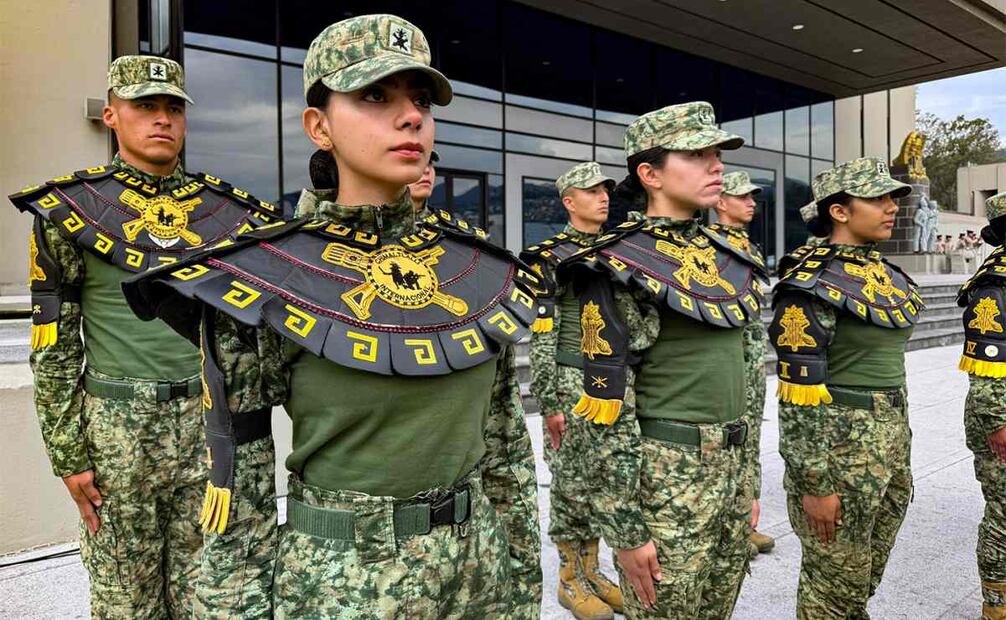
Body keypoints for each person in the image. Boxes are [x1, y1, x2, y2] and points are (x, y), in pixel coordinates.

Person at [122, 15, 542, 617]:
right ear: (319, 126)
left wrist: (521, 585)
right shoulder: (266, 273)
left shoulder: (474, 267)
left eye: (421, 99)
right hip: (342, 584)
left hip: (479, 573)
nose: (410, 117)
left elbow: (504, 448)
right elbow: (237, 491)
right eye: (375, 96)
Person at [7, 55, 284, 618]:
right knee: (125, 605)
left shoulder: (227, 216)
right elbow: (54, 348)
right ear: (111, 115)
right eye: (145, 106)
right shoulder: (73, 212)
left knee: (217, 598)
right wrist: (68, 454)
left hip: (210, 430)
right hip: (116, 437)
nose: (162, 119)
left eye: (173, 108)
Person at [558, 102, 766, 619]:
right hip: (666, 483)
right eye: (697, 154)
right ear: (649, 173)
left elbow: (750, 378)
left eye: (716, 153)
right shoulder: (617, 265)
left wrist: (749, 481)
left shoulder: (730, 258)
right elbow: (604, 414)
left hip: (731, 472)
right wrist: (626, 530)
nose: (716, 166)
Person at [770, 157, 922, 619]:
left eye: (892, 197)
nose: (891, 206)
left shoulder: (887, 276)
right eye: (877, 198)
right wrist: (815, 483)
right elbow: (797, 398)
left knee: (859, 577)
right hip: (840, 456)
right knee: (831, 586)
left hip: (890, 448)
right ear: (839, 211)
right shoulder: (810, 284)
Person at [522, 161, 623, 620]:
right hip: (570, 379)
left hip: (613, 379)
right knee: (571, 484)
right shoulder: (549, 256)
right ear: (568, 201)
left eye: (606, 190)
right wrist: (551, 403)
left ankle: (594, 570)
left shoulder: (618, 249)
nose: (603, 197)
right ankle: (569, 579)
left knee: (603, 478)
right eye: (592, 191)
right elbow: (543, 334)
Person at [709, 170, 774, 559]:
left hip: (752, 357)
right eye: (742, 197)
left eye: (753, 197)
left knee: (749, 442)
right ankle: (721, 523)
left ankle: (744, 520)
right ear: (721, 202)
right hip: (728, 356)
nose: (751, 203)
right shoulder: (710, 245)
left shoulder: (750, 246)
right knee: (726, 440)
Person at [957, 190, 1006, 620]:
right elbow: (987, 367)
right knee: (1004, 512)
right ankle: (997, 603)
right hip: (1002, 417)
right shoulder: (994, 283)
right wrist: (997, 422)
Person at [409, 148, 438, 219]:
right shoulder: (379, 224)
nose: (427, 170)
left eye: (430, 162)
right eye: (414, 162)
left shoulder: (448, 228)